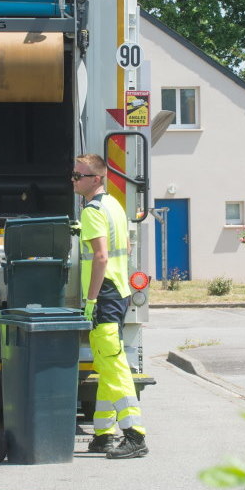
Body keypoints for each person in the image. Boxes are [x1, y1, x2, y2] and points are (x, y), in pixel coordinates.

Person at [72, 153, 147, 459]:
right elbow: (127, 247)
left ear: (96, 179)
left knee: (114, 367)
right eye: (73, 174)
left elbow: (100, 257)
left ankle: (135, 434)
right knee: (105, 363)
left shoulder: (92, 211)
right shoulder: (114, 205)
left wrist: (90, 300)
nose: (73, 179)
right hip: (119, 291)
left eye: (79, 175)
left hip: (104, 296)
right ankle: (103, 434)